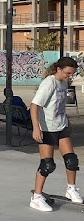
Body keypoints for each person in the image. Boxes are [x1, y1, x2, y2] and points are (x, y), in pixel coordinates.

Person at [29, 56, 82, 211]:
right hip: (46, 128)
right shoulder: (48, 83)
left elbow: (59, 105)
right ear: (59, 69)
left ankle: (71, 189)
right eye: (67, 73)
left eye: (72, 74)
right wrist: (36, 128)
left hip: (61, 126)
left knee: (71, 160)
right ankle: (37, 197)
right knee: (47, 164)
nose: (69, 76)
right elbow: (34, 106)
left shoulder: (64, 82)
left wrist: (67, 120)